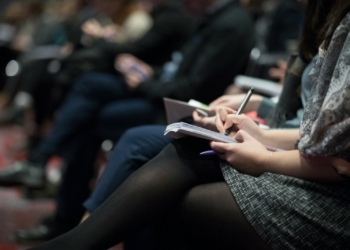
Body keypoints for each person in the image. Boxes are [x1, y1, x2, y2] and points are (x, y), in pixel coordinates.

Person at [28, 0, 350, 249]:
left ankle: (74, 235)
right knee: (176, 141)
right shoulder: (330, 23)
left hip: (332, 200)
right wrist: (261, 132)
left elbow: (334, 158)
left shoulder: (232, 22)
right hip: (300, 156)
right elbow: (318, 134)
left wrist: (265, 152)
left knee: (159, 185)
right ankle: (72, 229)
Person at [2, 0, 256, 243]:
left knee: (93, 119)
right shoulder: (209, 15)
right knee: (88, 86)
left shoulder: (227, 22)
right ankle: (63, 209)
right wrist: (148, 72)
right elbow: (176, 70)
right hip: (164, 93)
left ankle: (73, 225)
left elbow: (192, 88)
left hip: (184, 111)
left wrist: (145, 82)